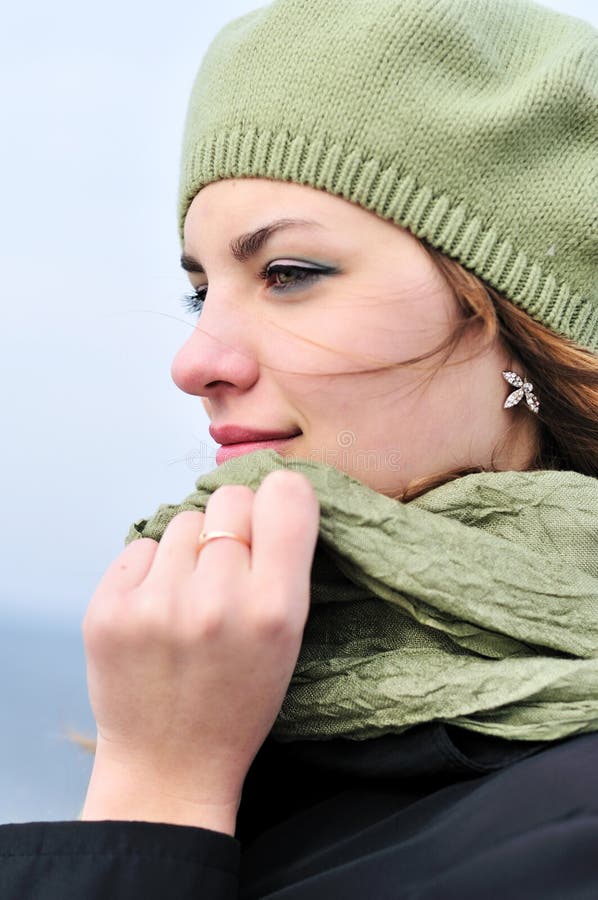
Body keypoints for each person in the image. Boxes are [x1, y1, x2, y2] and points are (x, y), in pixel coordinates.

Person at [1, 0, 597, 896]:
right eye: (203, 293)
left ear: (521, 322)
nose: (194, 361)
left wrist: (158, 797)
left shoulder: (571, 822)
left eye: (288, 274)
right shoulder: (238, 708)